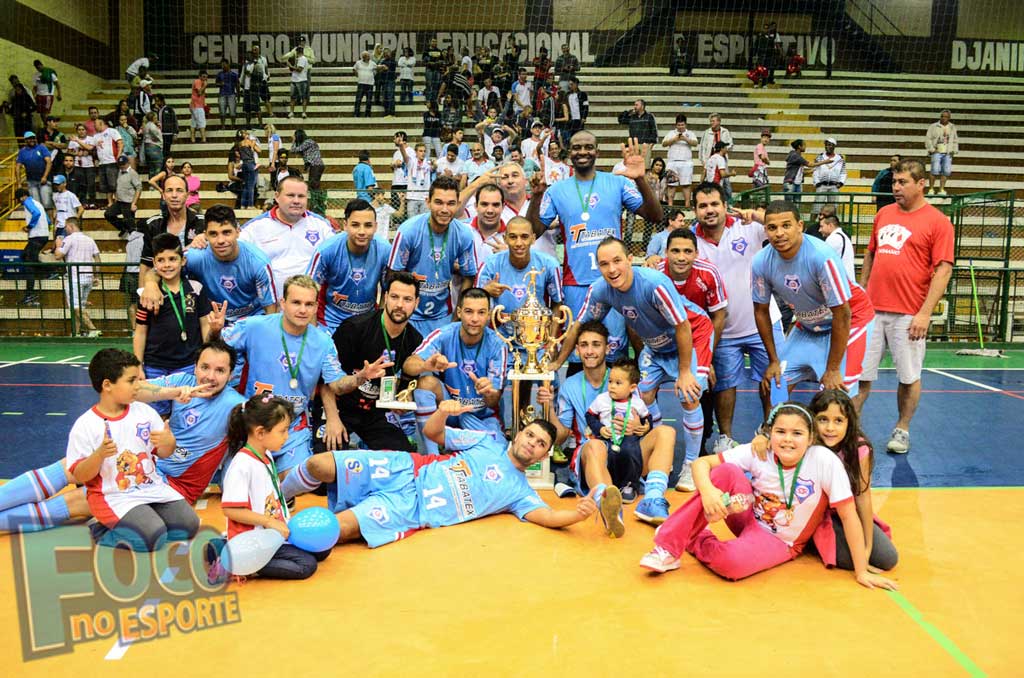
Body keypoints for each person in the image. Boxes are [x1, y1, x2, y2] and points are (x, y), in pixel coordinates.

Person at [637, 402, 898, 593]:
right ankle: (668, 548)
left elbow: (848, 514)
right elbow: (701, 464)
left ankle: (693, 537)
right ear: (769, 434)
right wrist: (708, 492)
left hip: (779, 540)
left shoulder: (824, 461)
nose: (787, 440)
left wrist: (861, 569)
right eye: (780, 432)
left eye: (797, 434)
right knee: (725, 470)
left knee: (732, 564)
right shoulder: (758, 451)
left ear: (810, 439)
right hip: (747, 513)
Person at [280, 403, 602, 549]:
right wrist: (443, 412)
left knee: (339, 530)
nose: (532, 443)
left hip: (411, 509)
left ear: (544, 456)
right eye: (529, 435)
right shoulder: (486, 440)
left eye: (540, 444)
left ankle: (278, 538)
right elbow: (434, 433)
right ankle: (277, 501)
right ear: (518, 434)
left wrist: (576, 514)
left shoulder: (519, 492)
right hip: (406, 467)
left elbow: (547, 515)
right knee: (318, 465)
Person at [554, 238, 707, 491]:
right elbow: (579, 326)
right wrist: (557, 361)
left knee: (688, 394)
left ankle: (691, 464)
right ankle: (654, 454)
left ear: (629, 260)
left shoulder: (654, 284)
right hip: (656, 345)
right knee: (643, 392)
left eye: (617, 261)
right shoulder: (601, 290)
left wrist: (683, 371)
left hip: (692, 334)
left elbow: (682, 325)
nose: (612, 269)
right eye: (604, 264)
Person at [220, 274, 391, 475]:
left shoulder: (323, 341)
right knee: (241, 481)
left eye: (309, 304)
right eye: (296, 302)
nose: (302, 310)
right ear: (283, 303)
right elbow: (218, 348)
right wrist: (214, 331)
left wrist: (361, 377)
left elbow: (336, 385)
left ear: (316, 306)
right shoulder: (254, 327)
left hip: (291, 426)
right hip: (254, 421)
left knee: (296, 480)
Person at [528, 134, 663, 371]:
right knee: (579, 356)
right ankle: (578, 406)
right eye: (577, 147)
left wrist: (641, 179)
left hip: (614, 283)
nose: (583, 152)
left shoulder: (617, 183)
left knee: (613, 356)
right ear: (569, 153)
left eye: (589, 147)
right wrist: (537, 196)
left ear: (597, 152)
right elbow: (534, 231)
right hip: (576, 283)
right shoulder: (557, 190)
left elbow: (655, 216)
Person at [855, 159, 954, 454]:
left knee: (908, 376)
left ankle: (902, 429)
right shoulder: (884, 213)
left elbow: (944, 270)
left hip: (909, 313)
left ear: (921, 184)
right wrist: (861, 292)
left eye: (902, 182)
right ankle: (850, 430)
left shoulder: (938, 222)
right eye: (894, 182)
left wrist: (924, 312)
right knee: (859, 375)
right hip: (872, 312)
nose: (895, 187)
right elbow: (871, 254)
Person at [65, 349, 200, 552]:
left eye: (138, 379)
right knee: (152, 538)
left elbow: (165, 452)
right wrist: (99, 455)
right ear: (107, 385)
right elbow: (79, 475)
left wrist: (168, 441)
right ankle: (101, 530)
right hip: (113, 496)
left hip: (151, 489)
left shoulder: (144, 412)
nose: (139, 386)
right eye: (132, 381)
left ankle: (140, 521)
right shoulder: (86, 425)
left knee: (188, 526)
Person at [750, 390, 898, 571]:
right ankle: (808, 539)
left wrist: (867, 547)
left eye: (838, 421)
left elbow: (863, 498)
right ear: (812, 422)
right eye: (823, 419)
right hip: (807, 513)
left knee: (887, 558)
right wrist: (762, 437)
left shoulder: (858, 449)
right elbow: (780, 434)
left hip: (844, 512)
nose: (830, 428)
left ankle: (828, 542)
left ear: (849, 423)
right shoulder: (803, 444)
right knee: (848, 560)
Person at [753, 199, 875, 402]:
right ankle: (770, 429)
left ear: (799, 226)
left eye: (786, 225)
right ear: (765, 230)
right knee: (774, 384)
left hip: (852, 319)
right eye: (772, 228)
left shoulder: (821, 256)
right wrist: (773, 360)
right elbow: (760, 311)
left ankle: (847, 433)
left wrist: (833, 368)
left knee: (835, 395)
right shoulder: (761, 262)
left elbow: (843, 314)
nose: (779, 233)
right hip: (809, 324)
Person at [691, 182, 781, 452]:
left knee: (772, 381)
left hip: (763, 323)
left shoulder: (748, 227)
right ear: (694, 210)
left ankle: (772, 429)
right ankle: (725, 436)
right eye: (703, 206)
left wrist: (757, 215)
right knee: (725, 386)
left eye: (714, 204)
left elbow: (787, 223)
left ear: (725, 205)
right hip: (723, 330)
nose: (709, 210)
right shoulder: (690, 241)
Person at [214, 394, 330, 580]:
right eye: (282, 431)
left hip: (274, 533)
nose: (287, 436)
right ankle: (238, 563)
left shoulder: (265, 454)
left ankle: (225, 549)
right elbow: (230, 510)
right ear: (260, 433)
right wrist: (269, 522)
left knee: (322, 550)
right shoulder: (242, 464)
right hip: (255, 540)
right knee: (306, 565)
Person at [321, 272, 423, 452]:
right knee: (328, 456)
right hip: (340, 406)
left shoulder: (415, 339)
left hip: (375, 410)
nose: (399, 305)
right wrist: (332, 419)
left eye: (407, 299)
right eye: (394, 297)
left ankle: (364, 445)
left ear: (416, 303)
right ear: (385, 298)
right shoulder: (354, 328)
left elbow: (405, 386)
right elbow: (325, 382)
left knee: (403, 456)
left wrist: (401, 401)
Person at [403, 287, 508, 453]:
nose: (474, 319)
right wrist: (425, 365)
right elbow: (409, 364)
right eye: (468, 311)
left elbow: (494, 401)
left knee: (495, 454)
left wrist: (488, 392)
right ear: (459, 312)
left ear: (489, 315)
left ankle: (455, 444)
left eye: (481, 313)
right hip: (449, 412)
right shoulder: (443, 334)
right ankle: (433, 455)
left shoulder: (497, 346)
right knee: (426, 383)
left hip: (481, 415)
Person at [140, 204, 279, 326]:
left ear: (238, 231)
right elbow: (161, 268)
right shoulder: (195, 257)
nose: (220, 240)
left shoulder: (258, 263)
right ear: (205, 234)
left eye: (226, 232)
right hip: (211, 321)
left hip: (250, 322)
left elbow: (271, 312)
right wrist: (150, 283)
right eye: (213, 234)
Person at [133, 233, 222, 415]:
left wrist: (208, 348)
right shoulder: (147, 294)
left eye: (173, 259)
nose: (167, 265)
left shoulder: (196, 289)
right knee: (158, 415)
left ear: (182, 261)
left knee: (187, 411)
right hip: (155, 366)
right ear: (155, 264)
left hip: (188, 363)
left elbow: (205, 324)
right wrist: (137, 365)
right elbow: (141, 332)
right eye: (161, 260)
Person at [387, 175, 478, 334]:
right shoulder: (408, 231)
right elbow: (392, 274)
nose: (444, 209)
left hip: (442, 315)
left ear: (458, 204)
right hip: (410, 316)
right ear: (427, 202)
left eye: (450, 203)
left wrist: (457, 316)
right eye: (438, 202)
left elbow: (469, 276)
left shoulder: (464, 234)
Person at [238, 176, 334, 299]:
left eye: (301, 196)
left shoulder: (321, 225)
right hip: (270, 307)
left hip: (311, 306)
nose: (296, 201)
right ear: (277, 196)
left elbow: (340, 253)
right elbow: (229, 247)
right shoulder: (254, 227)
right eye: (290, 195)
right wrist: (204, 239)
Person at [307, 198, 391, 334]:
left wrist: (378, 326)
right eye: (355, 225)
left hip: (367, 321)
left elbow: (388, 292)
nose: (362, 231)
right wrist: (314, 333)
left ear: (376, 226)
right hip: (331, 322)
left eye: (368, 225)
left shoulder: (385, 250)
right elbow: (308, 293)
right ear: (345, 225)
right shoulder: (326, 251)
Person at [584, 358, 653, 490]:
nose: (612, 386)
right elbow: (589, 416)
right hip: (607, 438)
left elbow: (647, 419)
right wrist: (600, 429)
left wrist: (644, 428)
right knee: (607, 455)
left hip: (629, 438)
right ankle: (609, 485)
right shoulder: (602, 399)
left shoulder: (637, 403)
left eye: (618, 383)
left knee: (631, 452)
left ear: (632, 387)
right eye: (610, 381)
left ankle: (629, 485)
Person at [137, 175, 206, 286]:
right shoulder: (153, 225)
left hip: (198, 291)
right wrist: (143, 294)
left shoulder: (203, 223)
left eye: (179, 190)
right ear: (163, 195)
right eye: (169, 190)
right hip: (164, 294)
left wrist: (206, 237)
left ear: (187, 195)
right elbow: (146, 265)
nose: (174, 195)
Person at [53, 217, 100, 337]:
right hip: (88, 277)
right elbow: (97, 259)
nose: (65, 229)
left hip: (74, 278)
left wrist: (58, 245)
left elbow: (58, 256)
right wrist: (96, 276)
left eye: (66, 227)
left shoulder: (68, 239)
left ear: (71, 226)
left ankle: (93, 329)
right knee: (80, 306)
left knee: (75, 306)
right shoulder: (90, 239)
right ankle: (76, 332)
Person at [15, 187, 50, 306]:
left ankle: (30, 294)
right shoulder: (37, 202)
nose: (20, 202)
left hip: (36, 236)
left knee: (29, 263)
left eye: (19, 199)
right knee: (25, 256)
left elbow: (36, 213)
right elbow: (48, 220)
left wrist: (29, 227)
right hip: (44, 235)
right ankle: (49, 272)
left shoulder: (28, 202)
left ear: (22, 196)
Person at [662, 114, 698, 208]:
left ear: (685, 124)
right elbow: (664, 143)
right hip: (672, 162)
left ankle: (687, 205)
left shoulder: (690, 133)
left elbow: (695, 143)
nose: (680, 127)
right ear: (676, 125)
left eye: (682, 125)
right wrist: (675, 139)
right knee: (671, 185)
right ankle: (670, 206)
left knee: (686, 185)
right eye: (679, 125)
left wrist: (685, 139)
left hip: (686, 162)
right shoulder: (671, 133)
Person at [102, 155, 141, 237]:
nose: (122, 166)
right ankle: (123, 228)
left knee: (131, 226)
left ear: (128, 163)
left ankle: (135, 241)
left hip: (128, 202)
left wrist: (134, 203)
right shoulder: (119, 171)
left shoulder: (133, 173)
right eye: (120, 164)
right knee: (108, 214)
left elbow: (138, 188)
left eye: (123, 164)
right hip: (119, 202)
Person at [16, 130, 54, 211]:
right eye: (29, 139)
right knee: (37, 205)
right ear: (25, 140)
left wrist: (45, 176)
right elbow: (18, 167)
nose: (32, 140)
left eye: (33, 138)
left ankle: (50, 223)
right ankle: (40, 223)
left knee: (47, 204)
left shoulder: (41, 148)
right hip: (31, 181)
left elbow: (49, 162)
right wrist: (19, 183)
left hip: (44, 180)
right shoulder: (22, 152)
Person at [925, 109, 958, 195]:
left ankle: (941, 189)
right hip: (937, 150)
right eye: (942, 116)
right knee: (934, 170)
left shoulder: (952, 127)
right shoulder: (933, 126)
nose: (944, 118)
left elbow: (955, 139)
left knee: (945, 171)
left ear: (949, 118)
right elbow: (928, 139)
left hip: (947, 151)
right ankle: (931, 189)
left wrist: (954, 150)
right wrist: (932, 149)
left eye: (946, 117)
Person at [812, 137, 847, 217]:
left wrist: (841, 183)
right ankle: (811, 225)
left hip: (834, 185)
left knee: (833, 208)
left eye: (830, 145)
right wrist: (817, 182)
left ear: (834, 146)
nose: (827, 147)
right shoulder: (820, 157)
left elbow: (843, 172)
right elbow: (816, 170)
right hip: (822, 185)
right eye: (826, 145)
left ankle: (832, 225)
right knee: (817, 207)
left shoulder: (840, 158)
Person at [819, 214, 855, 280]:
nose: (819, 230)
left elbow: (822, 261)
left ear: (830, 225)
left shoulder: (834, 238)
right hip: (846, 280)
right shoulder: (841, 236)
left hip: (843, 281)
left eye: (822, 226)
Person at [50, 174, 83, 239]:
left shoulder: (70, 195)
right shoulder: (55, 196)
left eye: (58, 184)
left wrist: (74, 220)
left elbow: (81, 209)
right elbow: (56, 210)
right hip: (59, 225)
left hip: (68, 224)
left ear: (64, 184)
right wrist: (55, 225)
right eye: (56, 185)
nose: (57, 186)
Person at [288, 47, 311, 119]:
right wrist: (290, 66)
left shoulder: (303, 59)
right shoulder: (296, 59)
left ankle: (304, 112)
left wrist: (290, 66)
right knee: (292, 97)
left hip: (302, 80)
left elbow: (299, 69)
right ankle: (291, 112)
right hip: (294, 80)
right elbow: (293, 70)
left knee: (303, 97)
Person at [352, 51, 376, 118]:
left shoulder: (372, 63)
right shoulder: (358, 63)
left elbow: (376, 69)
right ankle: (356, 114)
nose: (368, 57)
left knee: (369, 100)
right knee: (358, 99)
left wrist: (373, 75)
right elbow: (354, 69)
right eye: (367, 56)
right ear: (363, 57)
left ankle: (368, 114)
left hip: (370, 84)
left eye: (368, 56)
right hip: (361, 84)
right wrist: (357, 75)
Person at [190, 70, 209, 142]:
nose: (205, 79)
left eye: (206, 77)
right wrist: (205, 85)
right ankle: (203, 139)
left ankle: (193, 139)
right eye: (203, 77)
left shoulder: (200, 82)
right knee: (202, 122)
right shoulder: (198, 81)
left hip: (195, 105)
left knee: (193, 122)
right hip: (197, 106)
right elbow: (199, 93)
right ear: (200, 76)